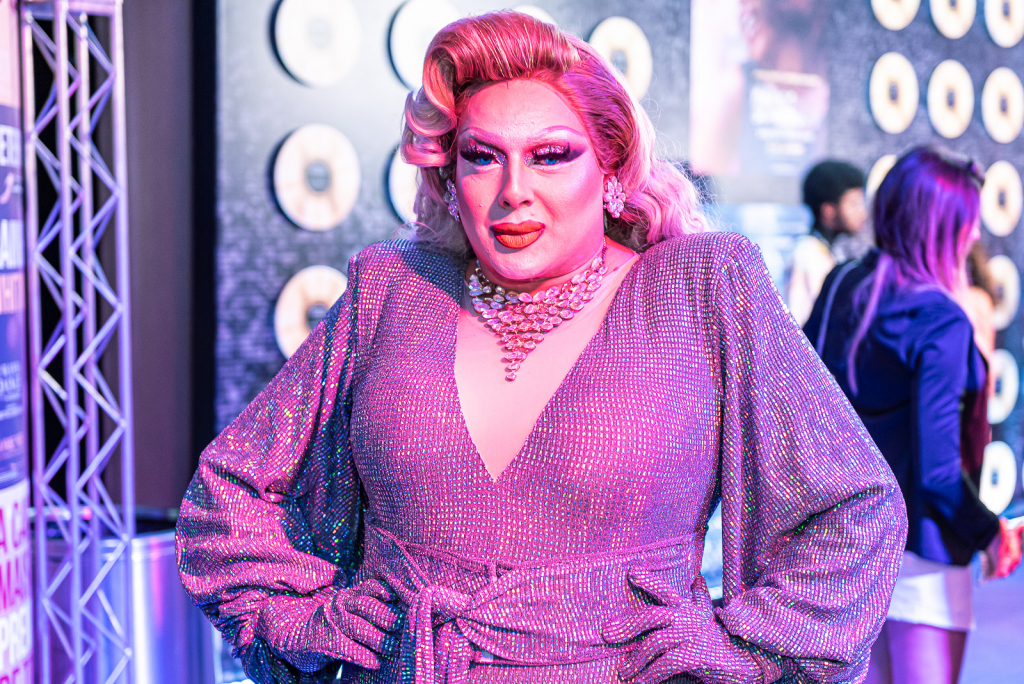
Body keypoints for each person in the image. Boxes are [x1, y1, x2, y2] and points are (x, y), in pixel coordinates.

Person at [177, 12, 906, 684]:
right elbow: (229, 493)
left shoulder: (700, 287)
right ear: (448, 176)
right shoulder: (393, 288)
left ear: (611, 168)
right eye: (482, 157)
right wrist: (302, 619)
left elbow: (854, 508)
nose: (513, 191)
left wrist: (738, 649)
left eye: (551, 156)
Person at [803, 148, 1023, 684]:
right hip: (920, 558)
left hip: (844, 547)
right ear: (941, 227)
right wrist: (991, 533)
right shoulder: (941, 320)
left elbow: (801, 402)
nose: (975, 236)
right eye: (967, 222)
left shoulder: (842, 286)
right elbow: (938, 474)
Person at [787, 160, 870, 326]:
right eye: (854, 204)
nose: (862, 213)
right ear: (829, 210)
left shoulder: (828, 250)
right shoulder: (808, 253)